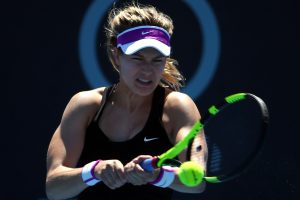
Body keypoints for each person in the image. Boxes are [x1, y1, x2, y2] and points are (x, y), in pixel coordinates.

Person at [45, 2, 208, 200]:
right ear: (116, 55)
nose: (147, 70)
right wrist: (93, 171)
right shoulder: (85, 106)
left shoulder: (177, 108)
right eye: (137, 58)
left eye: (157, 59)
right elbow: (53, 186)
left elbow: (197, 180)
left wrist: (158, 176)